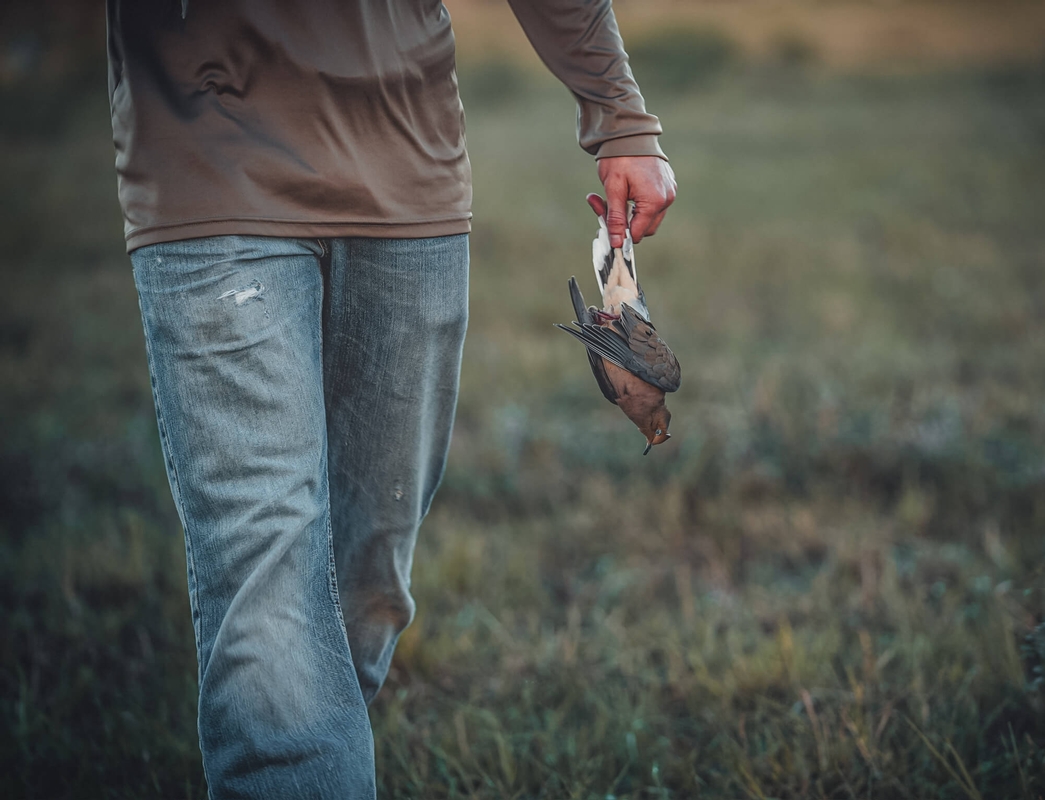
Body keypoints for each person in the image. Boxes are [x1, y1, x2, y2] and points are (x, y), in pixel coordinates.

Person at [105, 1, 676, 796]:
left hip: (408, 173)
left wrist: (620, 116)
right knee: (267, 568)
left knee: (365, 579)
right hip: (209, 166)